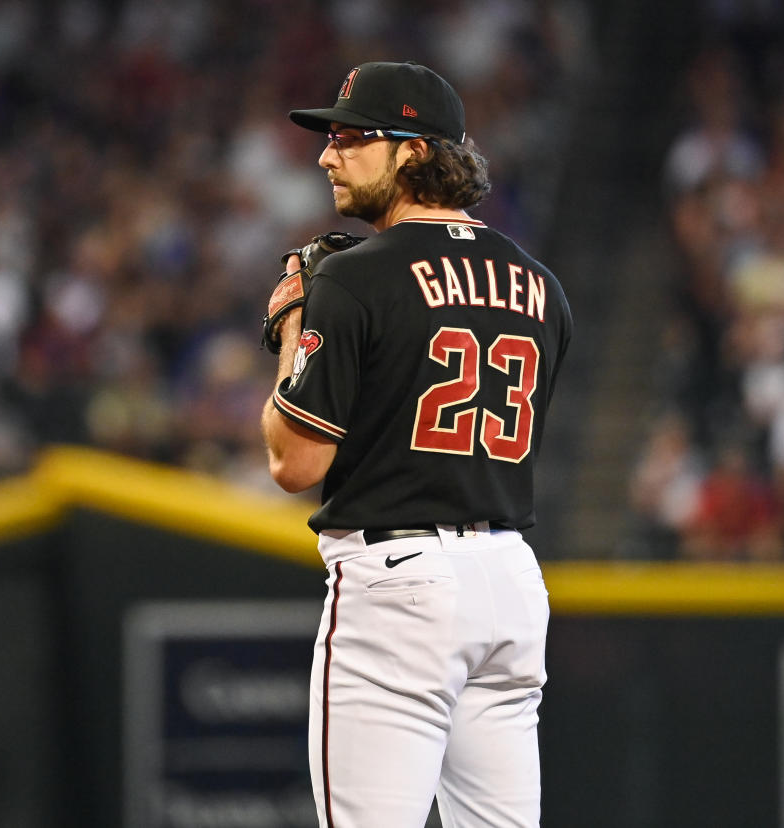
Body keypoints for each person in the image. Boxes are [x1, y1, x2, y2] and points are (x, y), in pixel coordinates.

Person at [260, 61, 573, 827]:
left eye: (350, 136)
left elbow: (293, 464)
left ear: (413, 150)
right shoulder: (541, 285)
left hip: (399, 582)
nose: (328, 155)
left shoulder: (357, 279)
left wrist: (295, 331)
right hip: (509, 579)